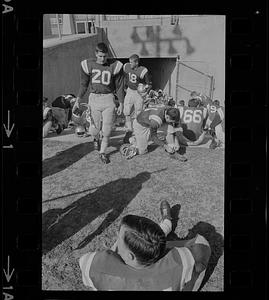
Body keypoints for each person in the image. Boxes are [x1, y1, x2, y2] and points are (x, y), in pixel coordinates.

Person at [79, 200, 211, 291]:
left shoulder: (95, 266)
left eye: (118, 235)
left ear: (130, 256)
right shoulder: (180, 263)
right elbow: (202, 243)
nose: (117, 237)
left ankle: (165, 226)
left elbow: (83, 261)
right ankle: (166, 224)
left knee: (122, 246)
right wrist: (161, 246)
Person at [72, 42, 125, 164]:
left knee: (106, 130)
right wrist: (78, 100)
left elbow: (119, 87)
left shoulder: (115, 66)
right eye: (100, 56)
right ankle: (96, 138)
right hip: (94, 99)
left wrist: (121, 103)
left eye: (105, 56)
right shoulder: (88, 64)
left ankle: (102, 153)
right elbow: (83, 85)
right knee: (94, 130)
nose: (102, 59)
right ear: (96, 53)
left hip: (108, 99)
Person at [120, 106, 187, 161]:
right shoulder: (156, 121)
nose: (173, 123)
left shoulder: (168, 110)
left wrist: (175, 142)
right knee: (142, 151)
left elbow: (172, 125)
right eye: (172, 121)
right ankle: (132, 140)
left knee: (170, 128)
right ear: (167, 117)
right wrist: (165, 146)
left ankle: (173, 152)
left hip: (148, 121)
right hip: (141, 126)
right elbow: (153, 137)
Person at [122, 54, 152, 143]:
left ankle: (136, 132)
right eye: (129, 61)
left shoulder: (143, 70)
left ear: (136, 62)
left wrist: (145, 91)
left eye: (132, 62)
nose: (130, 63)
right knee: (126, 111)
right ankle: (129, 130)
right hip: (129, 91)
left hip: (138, 93)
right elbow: (124, 76)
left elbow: (149, 84)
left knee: (138, 113)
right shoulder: (126, 66)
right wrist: (125, 86)